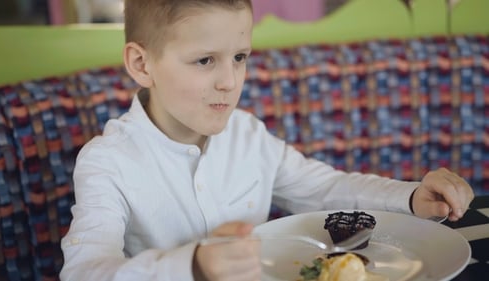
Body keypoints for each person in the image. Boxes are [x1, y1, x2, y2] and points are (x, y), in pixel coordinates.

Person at [60, 0, 474, 280]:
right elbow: (85, 271)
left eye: (239, 57)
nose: (230, 81)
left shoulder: (248, 134)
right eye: (205, 60)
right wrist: (194, 265)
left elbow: (324, 189)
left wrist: (412, 197)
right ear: (141, 63)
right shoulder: (107, 162)